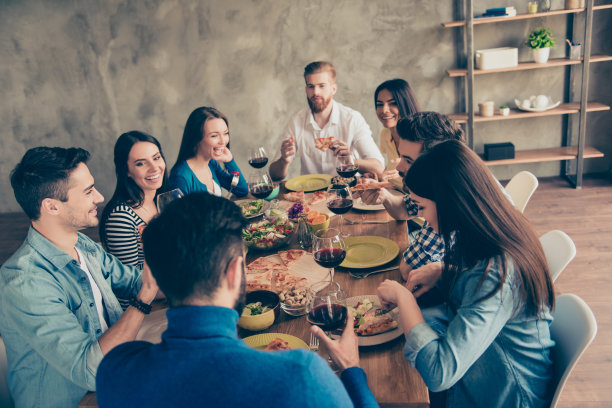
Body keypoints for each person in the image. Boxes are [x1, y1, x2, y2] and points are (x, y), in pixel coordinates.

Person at [96, 193, 379, 408]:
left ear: (153, 276)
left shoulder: (114, 371)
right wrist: (352, 369)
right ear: (235, 272)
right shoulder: (301, 375)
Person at [377, 140, 555, 408]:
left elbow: (440, 374)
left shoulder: (497, 273)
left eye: (423, 208)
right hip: (485, 367)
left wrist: (404, 298)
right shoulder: (493, 228)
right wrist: (446, 272)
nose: (424, 220)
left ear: (451, 202)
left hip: (502, 394)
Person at [0, 147, 159, 407]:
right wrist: (144, 299)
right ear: (51, 206)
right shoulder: (25, 282)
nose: (99, 196)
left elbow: (136, 281)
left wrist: (195, 271)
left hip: (115, 379)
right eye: (88, 191)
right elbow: (91, 370)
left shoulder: (82, 245)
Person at [358, 112, 464, 291]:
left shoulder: (448, 203)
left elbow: (408, 270)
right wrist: (383, 195)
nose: (398, 168)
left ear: (436, 162)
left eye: (407, 160)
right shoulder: (436, 183)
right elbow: (403, 210)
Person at [269, 61, 384, 180]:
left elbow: (379, 168)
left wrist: (352, 161)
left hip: (348, 193)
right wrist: (284, 161)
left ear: (333, 89)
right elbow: (274, 175)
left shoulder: (353, 119)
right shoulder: (296, 121)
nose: (315, 92)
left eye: (321, 86)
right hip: (310, 195)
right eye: (311, 86)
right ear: (306, 89)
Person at [100, 131, 169, 270]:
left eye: (156, 158)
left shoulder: (165, 200)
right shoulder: (120, 217)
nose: (154, 167)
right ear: (127, 171)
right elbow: (132, 280)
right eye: (140, 163)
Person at [169, 106, 248, 197]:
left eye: (225, 133)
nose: (223, 141)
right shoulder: (181, 177)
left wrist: (230, 161)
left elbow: (242, 190)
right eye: (214, 136)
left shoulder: (211, 164)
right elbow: (177, 211)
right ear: (196, 139)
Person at [374, 79, 421, 172]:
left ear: (406, 104)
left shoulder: (421, 136)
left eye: (393, 103)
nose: (384, 110)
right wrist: (378, 179)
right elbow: (391, 168)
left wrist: (409, 165)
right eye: (379, 104)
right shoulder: (385, 134)